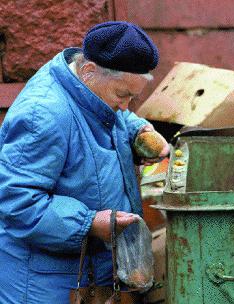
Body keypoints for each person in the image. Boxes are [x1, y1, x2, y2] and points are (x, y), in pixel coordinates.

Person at [0, 21, 169, 303]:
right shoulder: (43, 115)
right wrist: (88, 222)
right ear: (89, 71)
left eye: (132, 97)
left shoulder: (87, 84)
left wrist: (138, 131)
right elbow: (18, 201)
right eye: (122, 95)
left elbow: (115, 117)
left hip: (86, 274)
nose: (126, 106)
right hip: (44, 286)